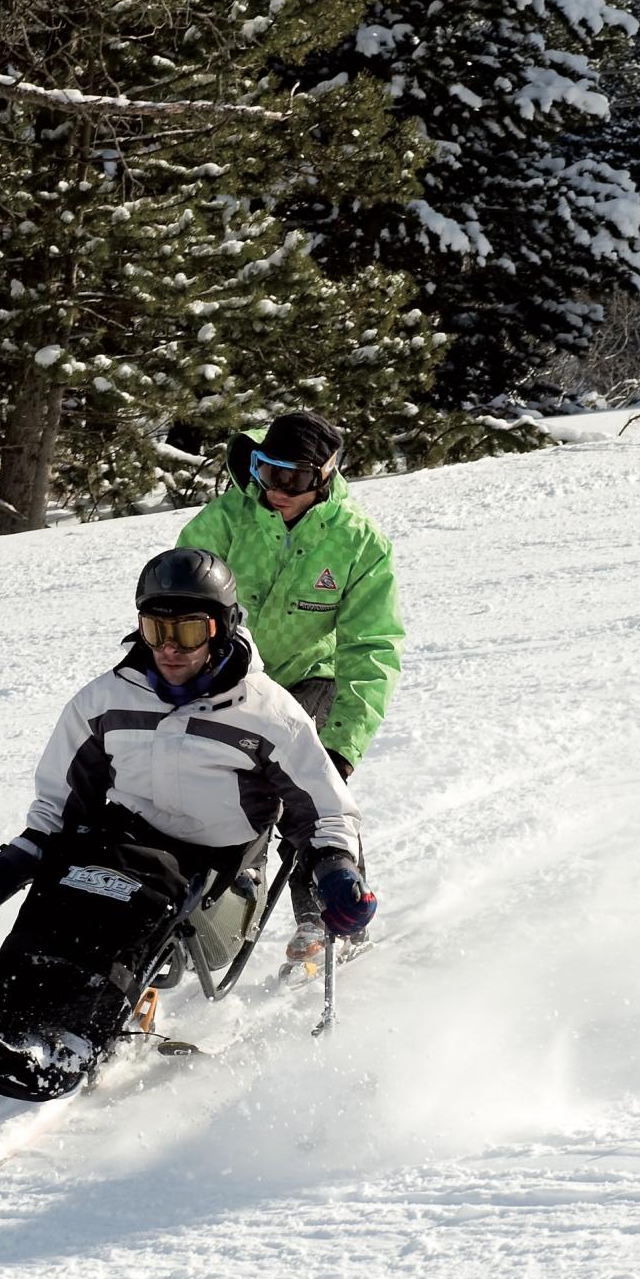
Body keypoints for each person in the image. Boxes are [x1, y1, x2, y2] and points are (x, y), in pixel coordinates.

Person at [0, 547, 376, 1102]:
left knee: (131, 892)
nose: (169, 648)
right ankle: (6, 1023)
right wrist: (17, 861)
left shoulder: (267, 713)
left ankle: (76, 1036)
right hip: (127, 836)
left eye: (188, 631)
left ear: (222, 628)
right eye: (156, 629)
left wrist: (337, 866)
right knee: (65, 879)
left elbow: (324, 806)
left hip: (216, 865)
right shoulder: (106, 700)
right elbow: (61, 796)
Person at [176, 410, 403, 967]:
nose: (275, 489)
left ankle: (325, 912)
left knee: (307, 780)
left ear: (324, 476)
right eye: (266, 471)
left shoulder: (357, 541)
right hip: (227, 676)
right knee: (208, 781)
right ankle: (213, 910)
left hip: (308, 676)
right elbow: (178, 593)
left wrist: (343, 744)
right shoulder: (227, 519)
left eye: (293, 478)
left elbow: (371, 646)